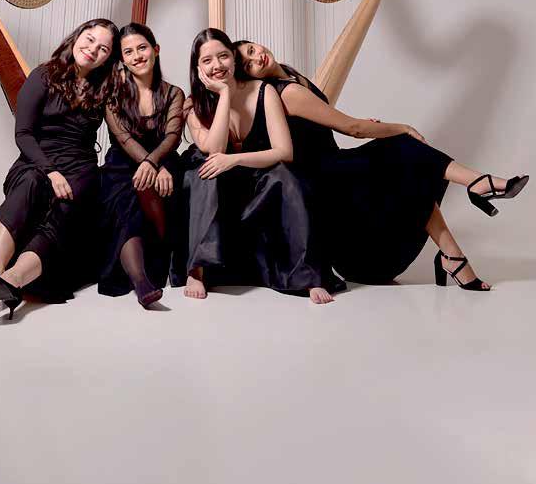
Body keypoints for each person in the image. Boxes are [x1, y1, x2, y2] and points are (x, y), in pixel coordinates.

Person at [234, 40, 529, 290]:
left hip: (336, 171)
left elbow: (332, 125)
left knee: (407, 166)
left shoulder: (292, 76)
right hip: (330, 191)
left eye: (251, 49)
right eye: (248, 64)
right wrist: (400, 127)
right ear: (250, 77)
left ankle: (454, 254)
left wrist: (368, 126)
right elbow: (352, 128)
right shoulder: (287, 92)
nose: (256, 57)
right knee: (403, 149)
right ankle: (478, 185)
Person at [0, 18, 120, 319]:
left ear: (108, 58)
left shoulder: (105, 89)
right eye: (90, 39)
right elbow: (23, 134)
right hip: (37, 159)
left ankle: (12, 280)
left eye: (103, 48)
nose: (93, 49)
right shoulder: (44, 75)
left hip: (80, 166)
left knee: (67, 203)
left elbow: (123, 130)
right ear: (77, 37)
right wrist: (50, 171)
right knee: (29, 183)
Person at [171, 28, 332, 304]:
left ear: (233, 59)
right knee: (206, 172)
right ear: (197, 68)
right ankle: (197, 270)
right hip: (214, 175)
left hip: (252, 171)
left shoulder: (263, 91)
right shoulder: (193, 104)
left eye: (223, 56)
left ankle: (307, 276)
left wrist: (235, 159)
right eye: (207, 60)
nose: (217, 65)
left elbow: (284, 151)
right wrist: (224, 95)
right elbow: (214, 149)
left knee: (286, 176)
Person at [98, 22, 185, 308]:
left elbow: (173, 136)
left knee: (158, 184)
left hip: (164, 160)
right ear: (122, 59)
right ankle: (140, 281)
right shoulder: (112, 94)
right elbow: (123, 139)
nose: (137, 56)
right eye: (128, 52)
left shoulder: (174, 93)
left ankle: (162, 257)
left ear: (155, 50)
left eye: (142, 48)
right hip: (122, 165)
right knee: (126, 198)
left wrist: (155, 163)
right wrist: (149, 164)